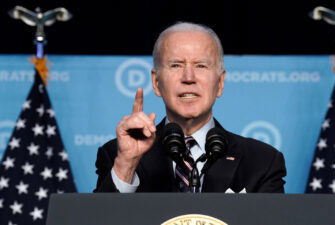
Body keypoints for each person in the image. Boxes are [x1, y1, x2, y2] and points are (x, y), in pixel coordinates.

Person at [94, 22, 286, 193]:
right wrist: (127, 165)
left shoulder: (262, 161)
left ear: (220, 83)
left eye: (201, 66)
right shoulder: (117, 155)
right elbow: (98, 220)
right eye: (176, 65)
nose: (188, 78)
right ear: (156, 82)